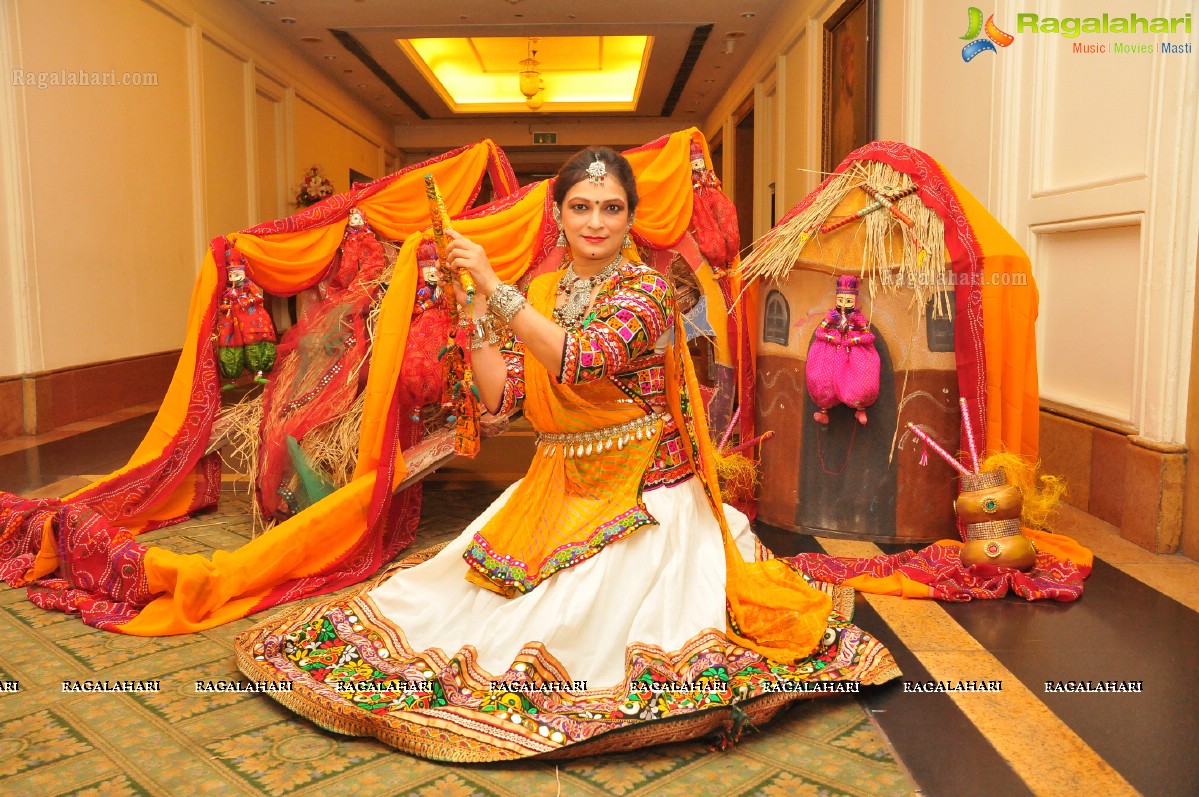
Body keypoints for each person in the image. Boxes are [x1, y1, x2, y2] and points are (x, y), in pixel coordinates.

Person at [234, 147, 896, 761]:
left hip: (641, 495)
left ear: (631, 217)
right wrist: (475, 315)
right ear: (558, 215)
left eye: (611, 207)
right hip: (555, 483)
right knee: (450, 599)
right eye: (581, 206)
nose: (596, 221)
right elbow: (505, 393)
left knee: (564, 625)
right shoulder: (543, 297)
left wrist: (494, 287)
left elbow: (583, 359)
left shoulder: (646, 293)